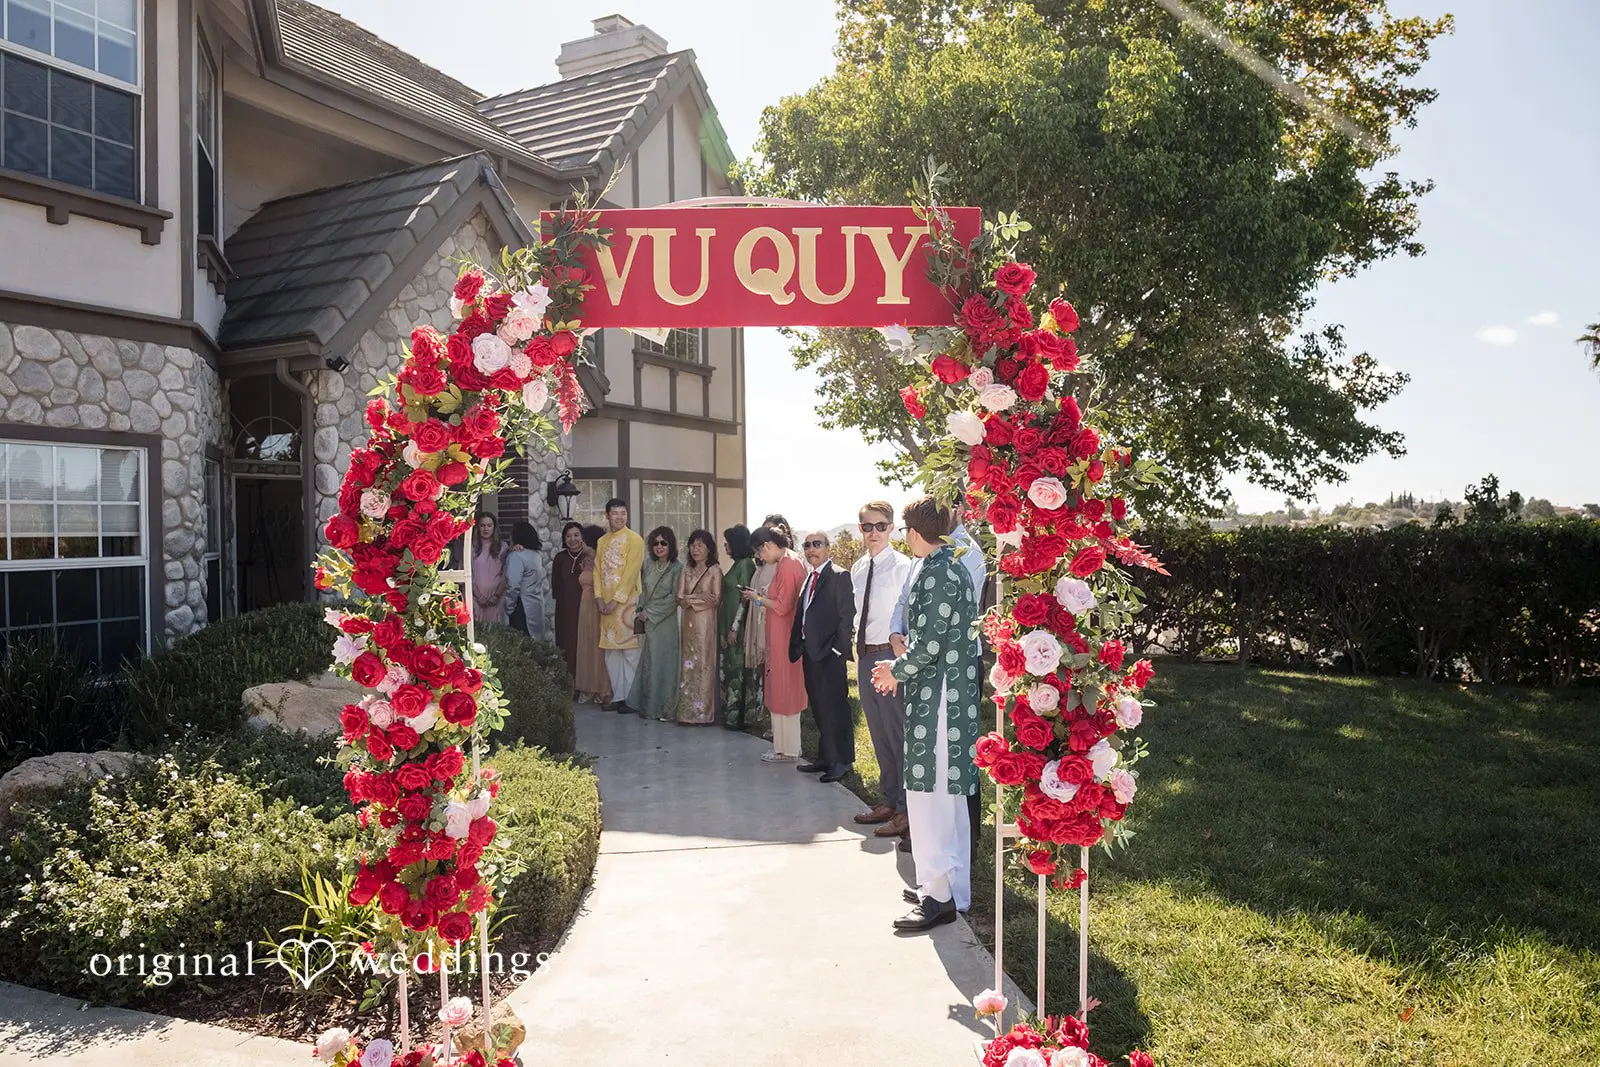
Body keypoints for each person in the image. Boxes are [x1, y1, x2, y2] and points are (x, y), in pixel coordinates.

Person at [871, 496, 981, 932]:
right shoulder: (954, 566)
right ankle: (953, 890)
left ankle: (937, 898)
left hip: (937, 704)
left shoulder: (937, 573)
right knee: (950, 801)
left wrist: (893, 669)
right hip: (954, 701)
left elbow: (930, 645)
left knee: (929, 799)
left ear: (915, 533)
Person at [851, 500, 914, 840]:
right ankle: (889, 800)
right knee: (878, 733)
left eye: (880, 526)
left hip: (891, 656)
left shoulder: (904, 566)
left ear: (891, 528)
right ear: (859, 529)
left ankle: (906, 809)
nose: (873, 532)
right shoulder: (859, 568)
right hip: (864, 656)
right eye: (866, 526)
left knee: (897, 732)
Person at [790, 530, 857, 783]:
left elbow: (846, 616)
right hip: (810, 652)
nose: (811, 549)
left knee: (836, 708)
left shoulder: (839, 576)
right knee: (819, 707)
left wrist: (838, 650)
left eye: (817, 544)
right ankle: (825, 757)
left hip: (830, 655)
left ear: (828, 548)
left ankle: (842, 761)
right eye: (806, 545)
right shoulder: (810, 578)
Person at [743, 526, 806, 762]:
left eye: (759, 552)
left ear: (767, 545)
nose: (760, 557)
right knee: (781, 687)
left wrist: (757, 598)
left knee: (784, 689)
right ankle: (785, 746)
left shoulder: (788, 564)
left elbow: (782, 606)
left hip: (784, 635)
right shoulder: (789, 561)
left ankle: (787, 749)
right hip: (781, 634)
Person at [596, 498, 646, 712]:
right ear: (607, 515)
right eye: (615, 513)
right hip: (605, 604)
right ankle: (618, 696)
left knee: (630, 651)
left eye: (623, 513)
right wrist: (599, 598)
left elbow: (631, 572)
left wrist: (616, 600)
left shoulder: (635, 540)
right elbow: (597, 571)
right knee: (611, 652)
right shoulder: (602, 541)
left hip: (627, 603)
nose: (619, 517)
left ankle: (631, 699)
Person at [629, 526, 683, 720]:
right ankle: (648, 707)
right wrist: (641, 610)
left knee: (665, 664)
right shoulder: (648, 564)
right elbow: (642, 589)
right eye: (655, 543)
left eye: (663, 543)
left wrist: (650, 613)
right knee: (650, 663)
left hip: (665, 622)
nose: (659, 547)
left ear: (671, 545)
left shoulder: (677, 568)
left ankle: (665, 709)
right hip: (647, 620)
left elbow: (675, 597)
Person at [676, 529, 723, 725]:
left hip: (706, 624)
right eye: (692, 545)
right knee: (688, 663)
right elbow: (679, 597)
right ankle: (687, 712)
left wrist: (691, 599)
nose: (695, 549)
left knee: (704, 662)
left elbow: (715, 598)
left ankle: (703, 712)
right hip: (688, 623)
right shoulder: (686, 570)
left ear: (708, 549)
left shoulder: (714, 571)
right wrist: (691, 599)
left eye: (700, 545)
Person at [719, 525, 762, 731]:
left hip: (740, 629)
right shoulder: (737, 565)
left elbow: (745, 599)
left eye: (727, 542)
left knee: (738, 671)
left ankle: (741, 717)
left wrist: (735, 627)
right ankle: (733, 715)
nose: (725, 545)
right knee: (732, 670)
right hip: (729, 625)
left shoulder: (745, 565)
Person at [573, 524, 612, 704]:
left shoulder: (601, 559)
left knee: (597, 644)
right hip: (585, 604)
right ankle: (588, 686)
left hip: (596, 604)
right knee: (587, 642)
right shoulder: (586, 558)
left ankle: (601, 688)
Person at [552, 522, 587, 681]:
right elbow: (556, 586)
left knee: (582, 646)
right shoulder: (560, 558)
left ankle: (583, 684)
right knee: (565, 646)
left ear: (582, 537)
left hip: (585, 609)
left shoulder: (589, 557)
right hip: (564, 610)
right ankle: (567, 684)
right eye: (568, 536)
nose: (572, 539)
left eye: (576, 535)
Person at [504, 521, 544, 639]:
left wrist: (509, 607)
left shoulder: (517, 556)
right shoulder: (536, 555)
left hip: (522, 606)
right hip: (536, 605)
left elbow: (513, 584)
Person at [470, 512, 508, 623]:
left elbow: (506, 574)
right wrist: (478, 596)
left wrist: (496, 596)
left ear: (494, 528)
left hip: (496, 599)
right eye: (482, 525)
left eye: (489, 525)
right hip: (475, 598)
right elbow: (468, 574)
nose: (486, 529)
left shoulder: (503, 547)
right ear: (477, 527)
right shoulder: (470, 548)